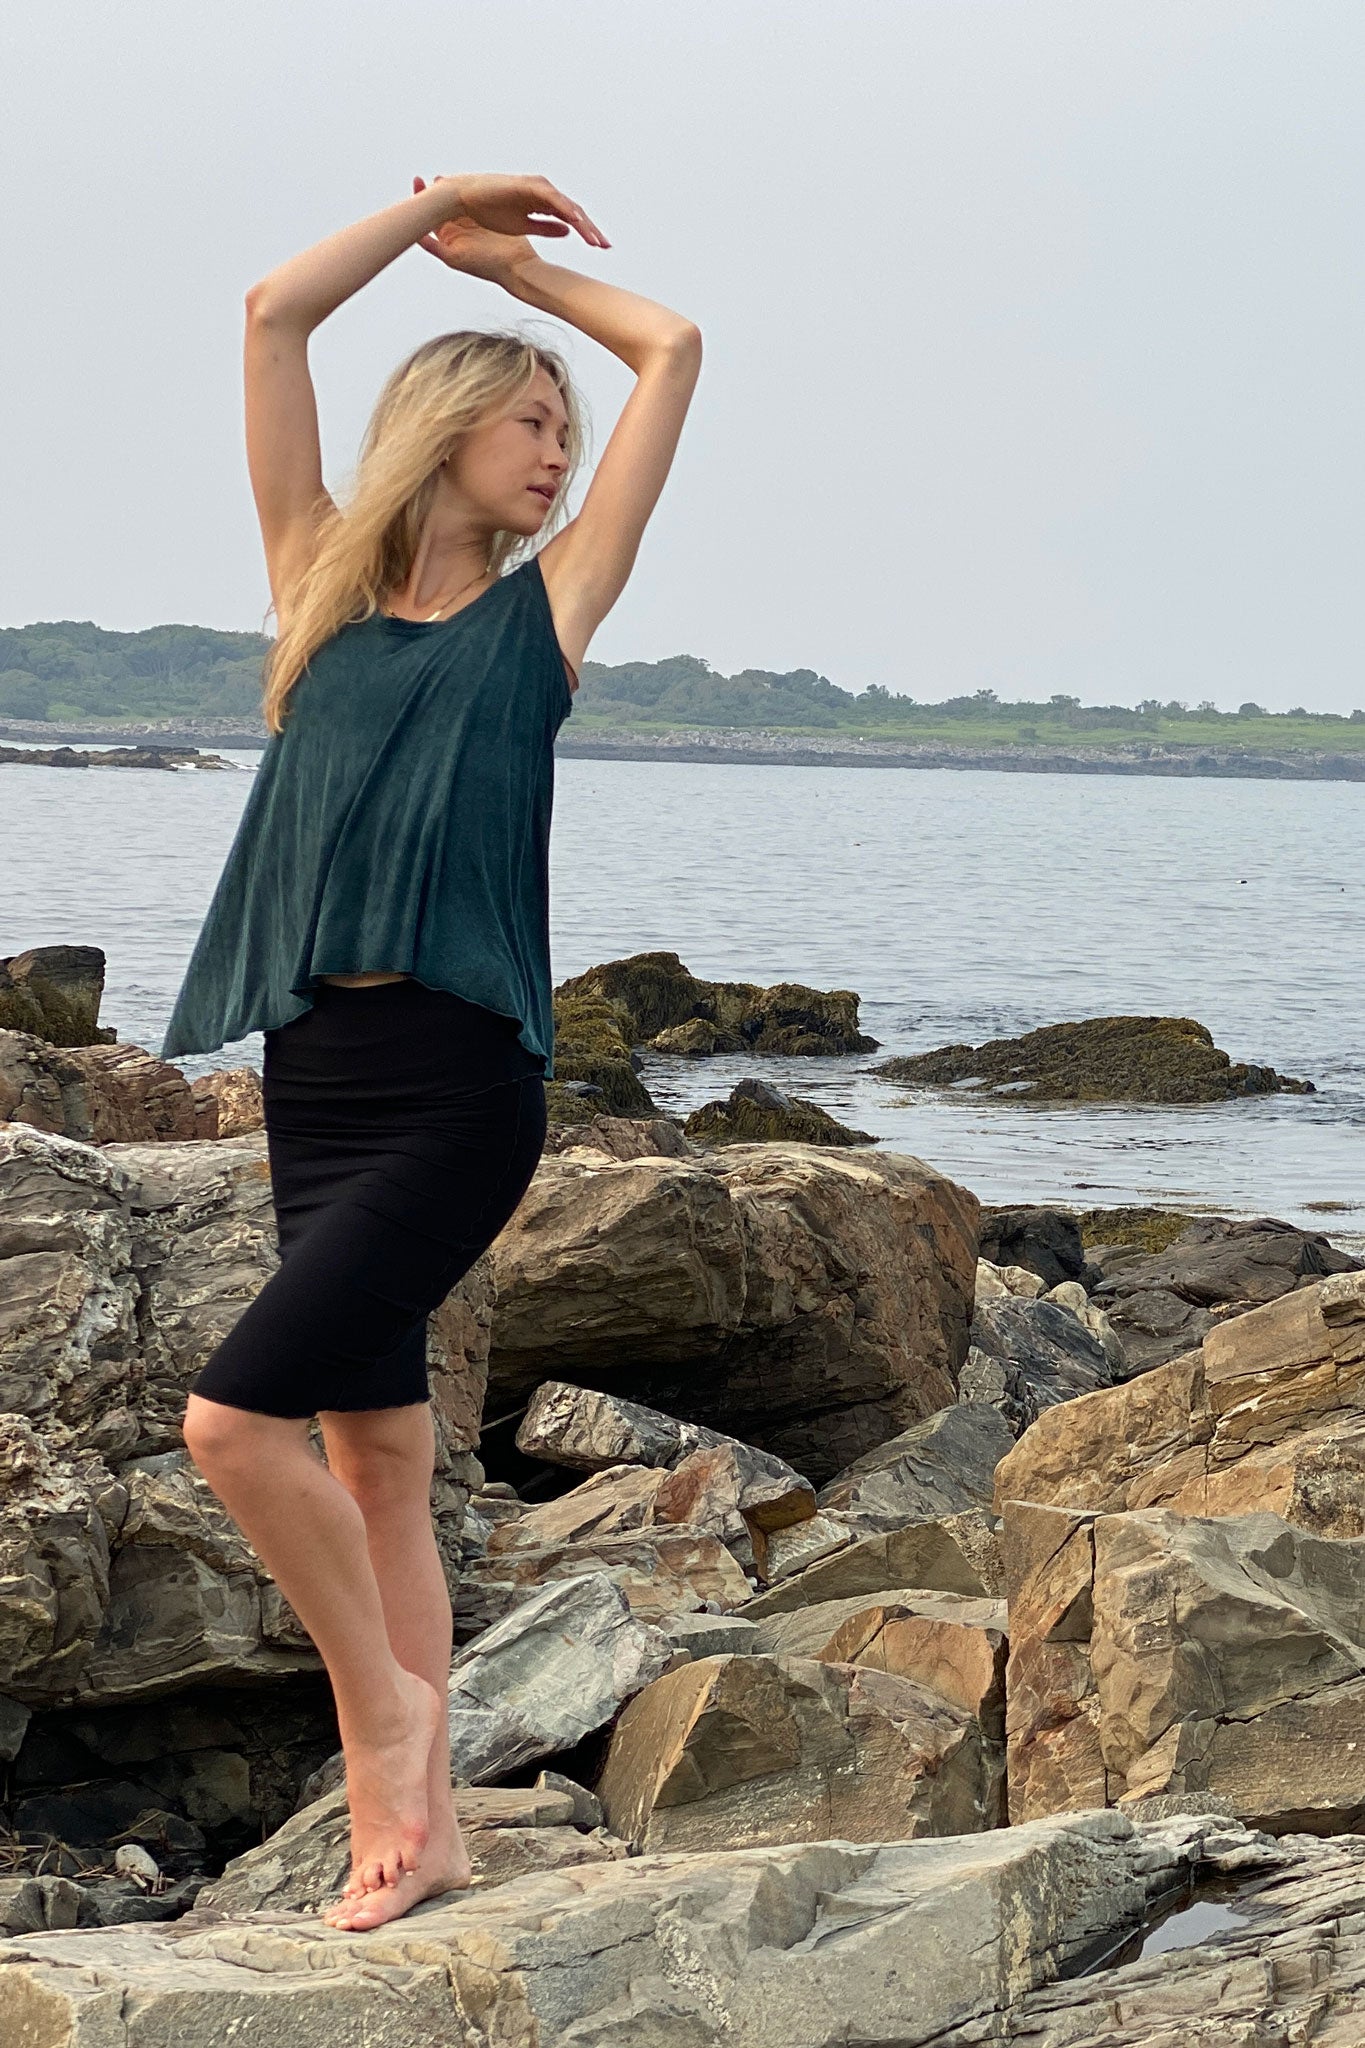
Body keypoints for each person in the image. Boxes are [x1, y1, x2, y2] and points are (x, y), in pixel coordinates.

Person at [162, 172, 701, 1932]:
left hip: (465, 1086)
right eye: (532, 423)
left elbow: (674, 341)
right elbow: (270, 315)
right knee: (377, 1456)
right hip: (318, 1070)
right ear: (448, 431)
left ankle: (390, 1733)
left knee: (232, 1427)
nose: (558, 454)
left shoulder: (538, 624)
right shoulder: (313, 585)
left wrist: (523, 270)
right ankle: (432, 1828)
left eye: (566, 428)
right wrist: (423, 220)